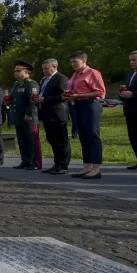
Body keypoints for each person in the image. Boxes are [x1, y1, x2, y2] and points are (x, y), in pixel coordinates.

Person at [66, 51, 107, 179]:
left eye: (75, 61)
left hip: (90, 105)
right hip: (77, 105)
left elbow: (100, 92)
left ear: (84, 60)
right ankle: (87, 165)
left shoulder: (93, 73)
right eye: (71, 62)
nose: (73, 64)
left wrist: (79, 95)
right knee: (83, 135)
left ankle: (96, 167)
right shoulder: (75, 74)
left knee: (93, 135)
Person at [34, 58, 70, 174]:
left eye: (46, 68)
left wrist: (45, 99)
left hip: (58, 113)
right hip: (47, 114)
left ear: (54, 67)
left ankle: (63, 165)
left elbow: (63, 96)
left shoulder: (61, 78)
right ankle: (56, 163)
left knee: (61, 140)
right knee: (52, 139)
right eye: (43, 68)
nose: (44, 70)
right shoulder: (45, 80)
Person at [10, 61, 42, 170]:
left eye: (18, 71)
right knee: (22, 140)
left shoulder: (31, 84)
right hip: (19, 116)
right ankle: (25, 160)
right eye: (15, 71)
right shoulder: (16, 84)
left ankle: (35, 162)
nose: (15, 73)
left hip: (30, 117)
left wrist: (29, 113)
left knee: (32, 140)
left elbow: (33, 100)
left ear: (27, 72)